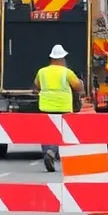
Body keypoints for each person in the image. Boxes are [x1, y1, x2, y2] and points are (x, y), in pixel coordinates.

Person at [32, 44, 83, 172]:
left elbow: (36, 86)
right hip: (63, 106)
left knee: (46, 132)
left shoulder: (42, 71)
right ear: (61, 59)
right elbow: (78, 87)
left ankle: (48, 154)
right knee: (61, 132)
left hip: (45, 106)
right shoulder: (67, 72)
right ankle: (52, 152)